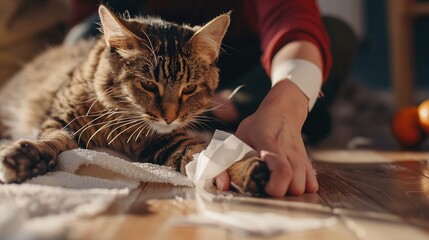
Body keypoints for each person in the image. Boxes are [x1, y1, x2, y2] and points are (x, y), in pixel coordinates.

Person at [68, 0, 357, 197]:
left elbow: (294, 22)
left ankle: (235, 106)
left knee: (335, 34)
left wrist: (284, 106)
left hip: (224, 63)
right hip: (141, 53)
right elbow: (84, 26)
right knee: (83, 34)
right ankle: (235, 110)